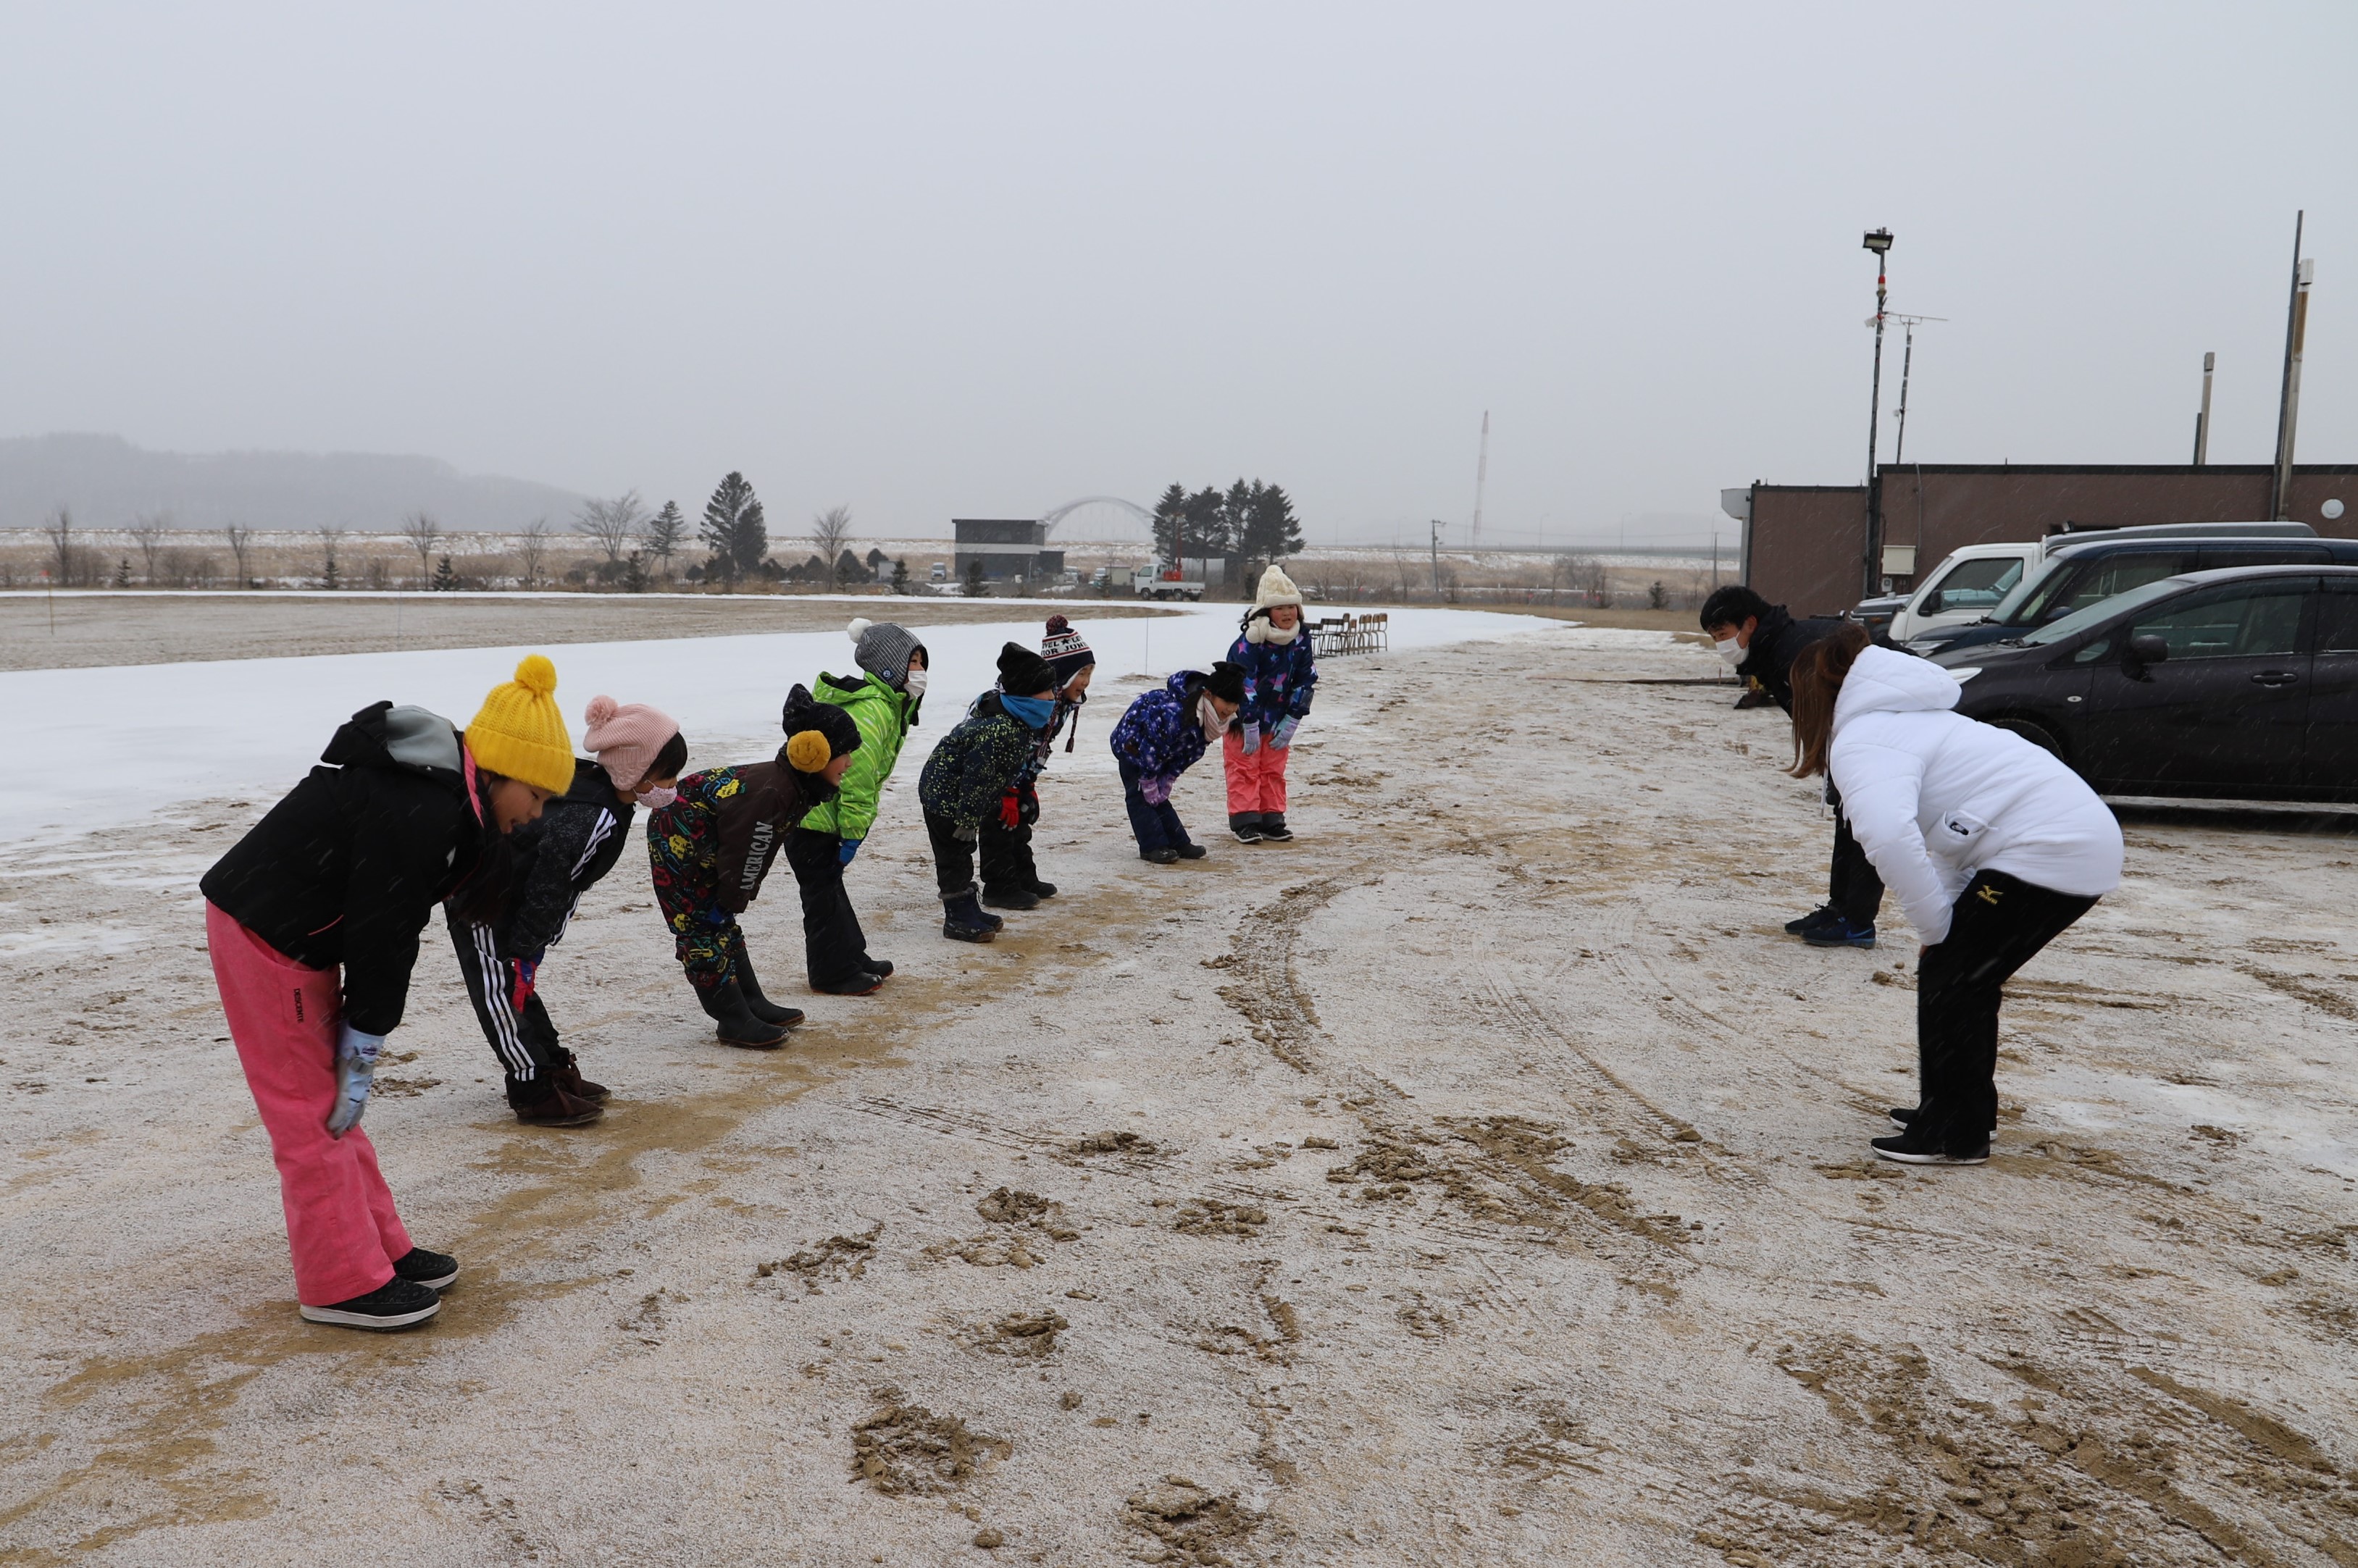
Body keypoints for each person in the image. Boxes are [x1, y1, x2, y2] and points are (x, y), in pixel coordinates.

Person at [199, 655, 575, 1330]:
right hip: (266, 935)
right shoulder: (423, 808)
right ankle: (339, 1280)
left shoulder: (448, 800)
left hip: (304, 936)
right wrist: (367, 1030)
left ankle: (379, 1247)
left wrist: (363, 1035)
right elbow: (385, 927)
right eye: (537, 796)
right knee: (314, 1111)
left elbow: (389, 924)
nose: (535, 816)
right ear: (497, 771)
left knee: (340, 1102)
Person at [1788, 625, 2123, 1166]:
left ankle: (1951, 1131)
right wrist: (1939, 923)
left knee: (1954, 977)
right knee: (1965, 973)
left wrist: (1933, 929)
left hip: (2049, 848)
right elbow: (1946, 838)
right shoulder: (1910, 721)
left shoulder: (1865, 737)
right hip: (2067, 842)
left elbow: (1890, 836)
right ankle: (1958, 1111)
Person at [447, 695, 686, 1127]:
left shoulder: (607, 798)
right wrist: (529, 943)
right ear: (633, 767)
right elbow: (554, 886)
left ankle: (551, 1064)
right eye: (665, 776)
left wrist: (529, 945)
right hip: (484, 894)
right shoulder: (592, 815)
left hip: (513, 896)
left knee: (516, 983)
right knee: (499, 988)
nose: (670, 787)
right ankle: (531, 1085)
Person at [648, 687, 859, 1048]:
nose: (849, 763)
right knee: (699, 927)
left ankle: (750, 1002)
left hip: (707, 843)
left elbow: (755, 852)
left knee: (722, 921)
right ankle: (731, 1018)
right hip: (678, 840)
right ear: (814, 755)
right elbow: (747, 854)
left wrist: (731, 900)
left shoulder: (793, 787)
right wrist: (733, 895)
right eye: (844, 754)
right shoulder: (775, 792)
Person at [1699, 584, 1886, 949]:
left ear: (1749, 624)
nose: (1720, 645)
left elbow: (1832, 710)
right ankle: (1839, 909)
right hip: (1857, 735)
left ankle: (1858, 921)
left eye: (1722, 634)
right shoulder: (1772, 649)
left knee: (1864, 817)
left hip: (1877, 732)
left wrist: (1836, 754)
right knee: (1846, 813)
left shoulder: (1790, 650)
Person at [790, 619, 927, 995]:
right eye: (913, 662)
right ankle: (830, 971)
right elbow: (857, 778)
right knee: (822, 897)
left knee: (831, 890)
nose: (921, 671)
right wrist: (853, 832)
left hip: (820, 818)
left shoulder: (884, 704)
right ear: (890, 667)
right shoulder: (874, 711)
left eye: (921, 662)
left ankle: (851, 955)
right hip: (815, 822)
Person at [917, 642, 1063, 942]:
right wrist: (968, 821)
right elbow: (977, 777)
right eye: (1047, 692)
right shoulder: (1000, 730)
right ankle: (957, 917)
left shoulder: (1014, 723)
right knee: (954, 855)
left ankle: (969, 908)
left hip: (958, 798)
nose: (1052, 699)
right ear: (1025, 694)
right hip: (945, 798)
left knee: (962, 853)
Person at [981, 614, 1096, 910]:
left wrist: (1027, 786)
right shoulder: (1038, 703)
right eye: (1081, 673)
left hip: (1014, 772)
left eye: (1090, 673)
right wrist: (1007, 791)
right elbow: (1011, 750)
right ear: (1064, 673)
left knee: (1020, 820)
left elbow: (1035, 750)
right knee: (1000, 823)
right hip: (987, 769)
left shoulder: (1062, 704)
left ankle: (1022, 877)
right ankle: (999, 886)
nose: (1085, 681)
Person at [1108, 661, 1246, 864]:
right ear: (1208, 695)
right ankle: (1152, 846)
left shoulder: (1211, 719)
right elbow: (1151, 746)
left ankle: (1178, 842)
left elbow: (1191, 751)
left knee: (1158, 798)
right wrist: (1148, 779)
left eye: (1234, 707)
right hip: (1134, 748)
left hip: (1161, 756)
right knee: (1140, 796)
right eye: (1226, 705)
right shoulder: (1174, 713)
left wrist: (1170, 776)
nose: (1229, 711)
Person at [1224, 566, 1318, 843]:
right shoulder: (1251, 642)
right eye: (1280, 608)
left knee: (1273, 768)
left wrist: (1294, 716)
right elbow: (1242, 682)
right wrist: (1248, 720)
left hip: (1278, 718)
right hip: (1243, 720)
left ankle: (1271, 816)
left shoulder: (1301, 640)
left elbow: (1305, 678)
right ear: (1266, 612)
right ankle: (1245, 818)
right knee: (1244, 767)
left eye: (1292, 607)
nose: (1288, 613)